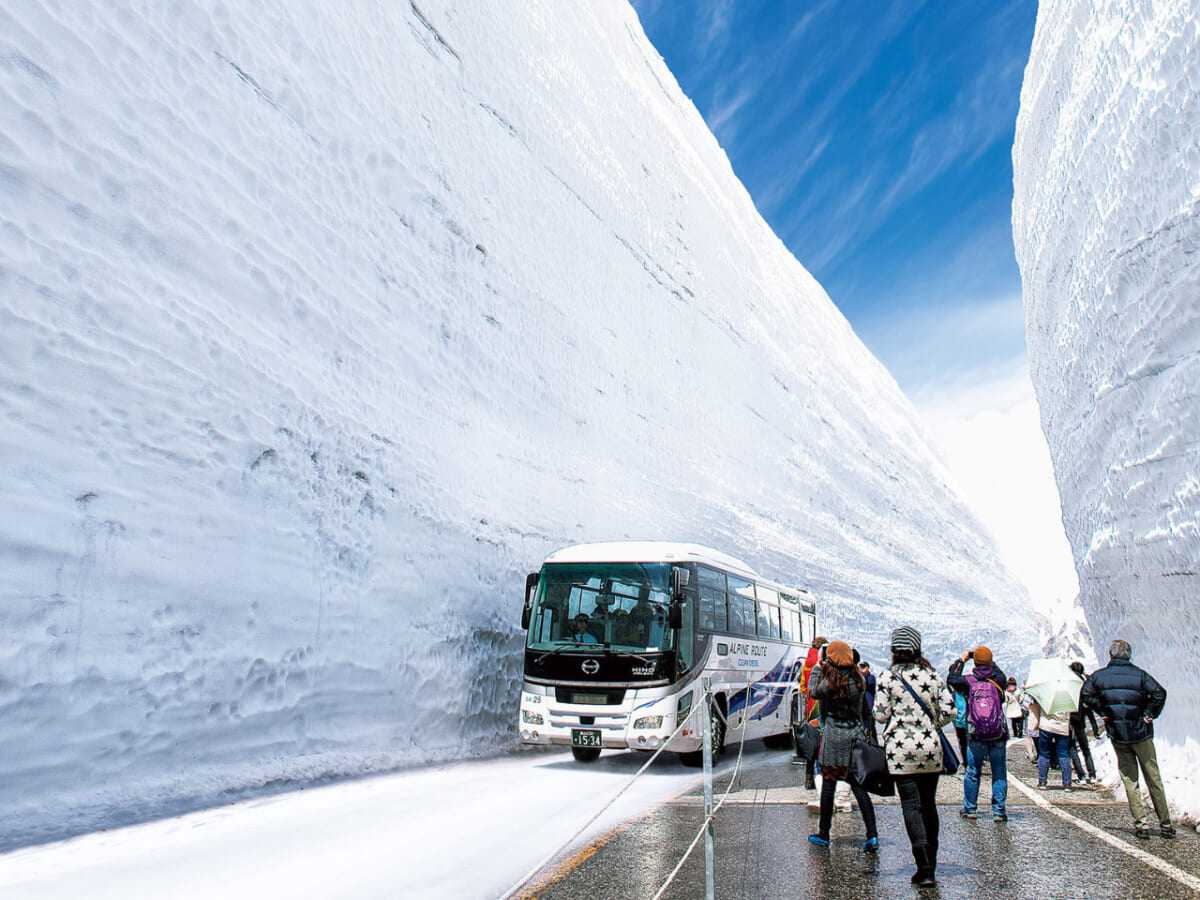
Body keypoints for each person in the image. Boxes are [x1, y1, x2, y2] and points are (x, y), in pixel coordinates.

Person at [874, 625, 955, 887]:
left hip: (900, 751)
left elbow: (880, 714)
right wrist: (931, 725)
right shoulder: (932, 675)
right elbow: (950, 711)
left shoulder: (888, 677)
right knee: (929, 804)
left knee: (911, 806)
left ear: (894, 650)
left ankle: (923, 868)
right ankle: (932, 862)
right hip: (930, 748)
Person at [1081, 639, 1174, 839]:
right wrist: (1149, 713)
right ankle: (1165, 824)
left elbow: (1086, 695)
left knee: (1130, 779)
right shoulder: (1139, 675)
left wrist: (1103, 710)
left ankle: (1141, 825)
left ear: (1111, 655)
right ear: (1129, 655)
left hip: (1119, 734)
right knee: (1153, 778)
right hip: (1141, 732)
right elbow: (1159, 693)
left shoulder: (1099, 677)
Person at [807, 641, 879, 852]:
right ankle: (872, 834)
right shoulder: (859, 680)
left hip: (832, 738)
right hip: (854, 737)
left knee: (829, 786)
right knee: (858, 787)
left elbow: (813, 691)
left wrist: (818, 667)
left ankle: (824, 833)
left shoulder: (829, 682)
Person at [948, 646, 1010, 822]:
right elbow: (999, 673)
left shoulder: (968, 681)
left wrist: (962, 660)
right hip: (998, 732)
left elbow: (952, 678)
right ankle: (998, 811)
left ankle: (970, 809)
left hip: (975, 732)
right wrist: (990, 662)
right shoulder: (998, 680)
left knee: (973, 771)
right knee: (999, 772)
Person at [791, 636, 828, 790]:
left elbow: (802, 685)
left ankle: (809, 776)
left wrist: (807, 698)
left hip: (810, 706)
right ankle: (823, 778)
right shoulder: (825, 664)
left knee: (812, 742)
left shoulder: (807, 662)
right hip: (823, 706)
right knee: (823, 743)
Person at [1027, 694, 1072, 790]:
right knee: (1063, 754)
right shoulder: (1068, 693)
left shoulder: (1046, 692)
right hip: (1062, 726)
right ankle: (1067, 783)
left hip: (1046, 725)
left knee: (1044, 753)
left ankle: (1042, 781)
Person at [1068, 661, 1100, 785]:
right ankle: (1092, 774)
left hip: (1070, 716)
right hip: (1082, 715)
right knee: (1085, 747)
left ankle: (1081, 775)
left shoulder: (1068, 682)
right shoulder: (1085, 681)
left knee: (1072, 747)